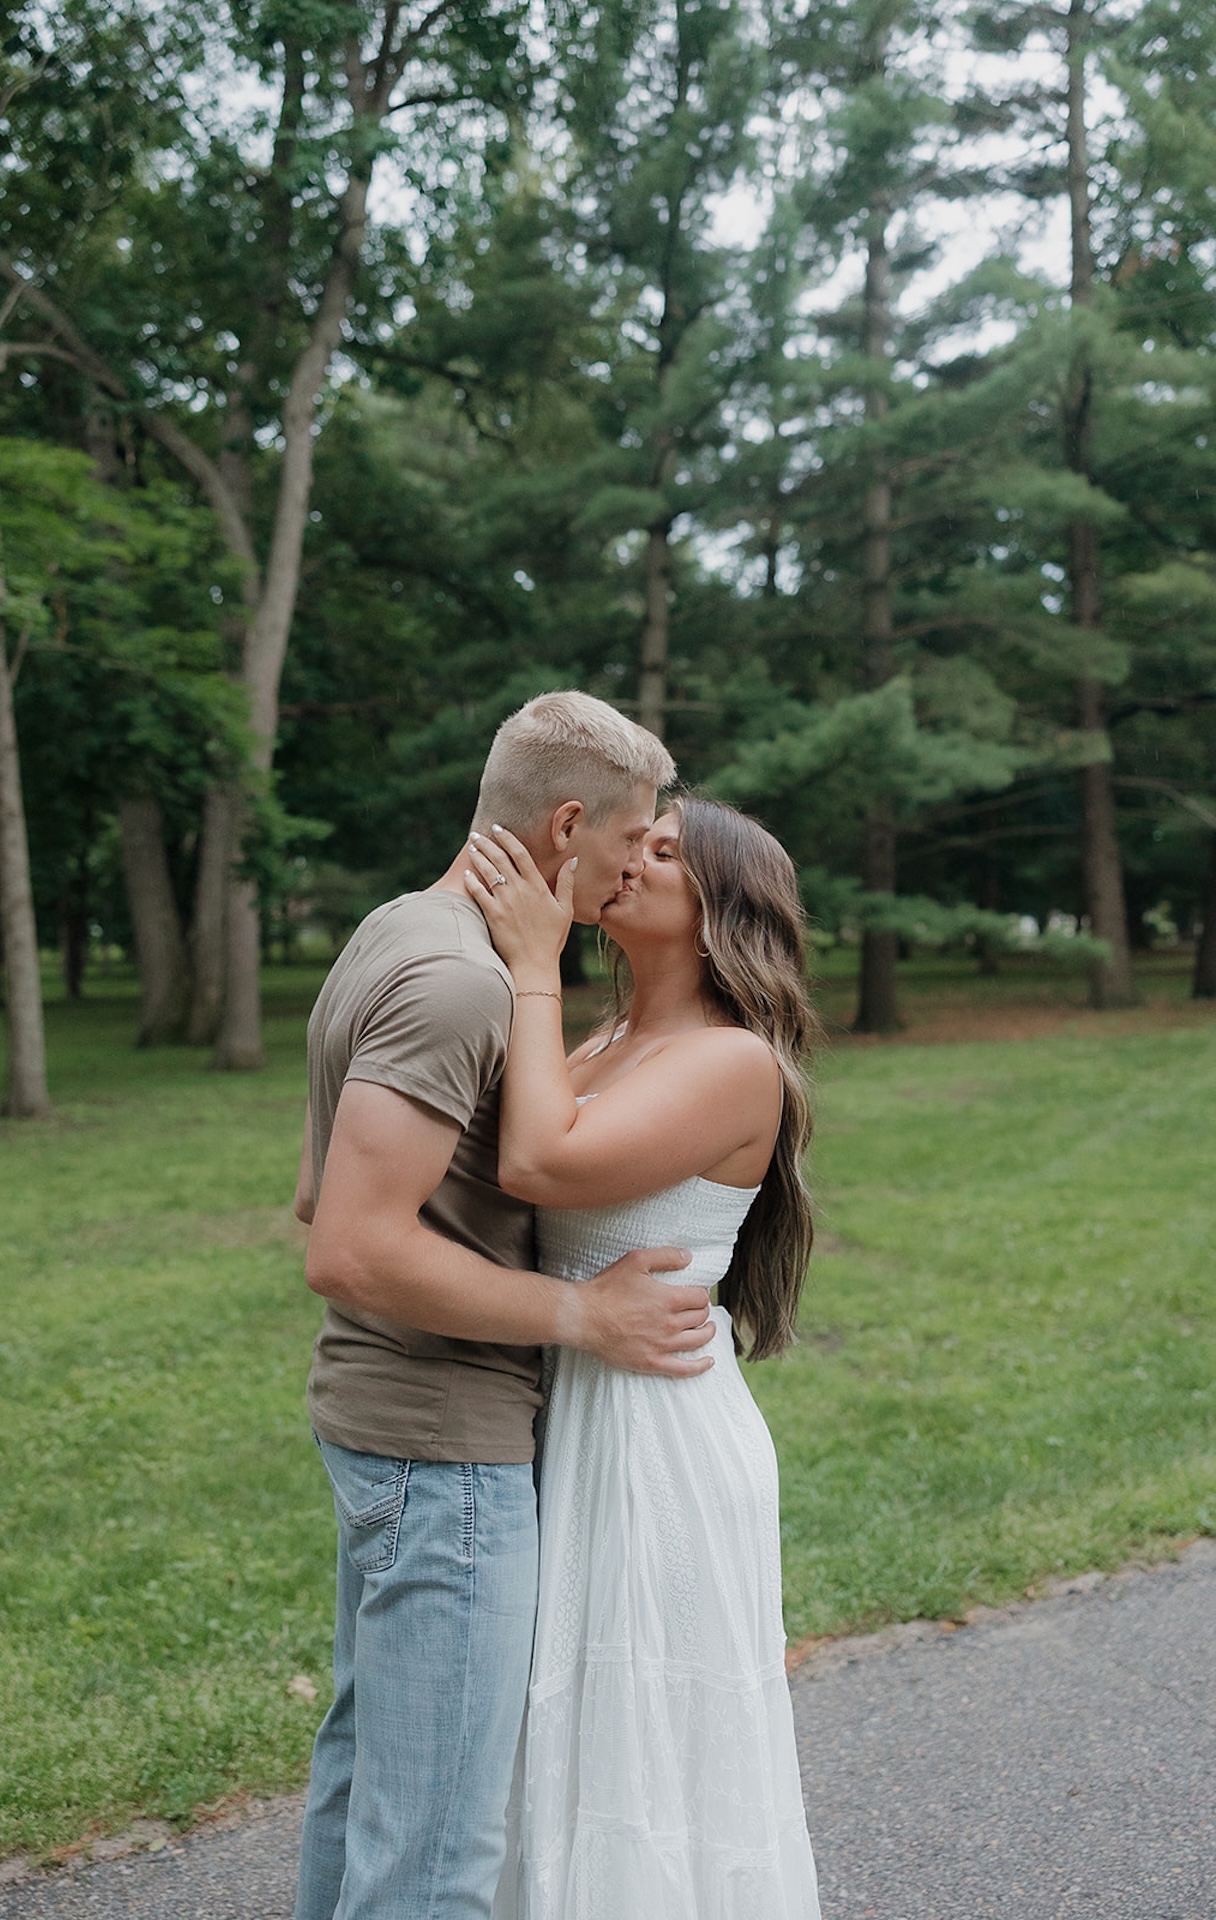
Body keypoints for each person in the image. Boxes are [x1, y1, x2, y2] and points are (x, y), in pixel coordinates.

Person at [292, 692, 720, 1920]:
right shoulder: (460, 984)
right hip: (444, 1454)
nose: (630, 870)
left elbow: (319, 1190)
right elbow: (352, 1246)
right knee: (436, 1852)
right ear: (566, 822)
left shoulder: (394, 930)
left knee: (369, 1778)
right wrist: (585, 1318)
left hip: (385, 1426)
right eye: (626, 843)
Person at [464, 796, 822, 1920]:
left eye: (666, 851)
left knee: (644, 1744)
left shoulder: (732, 1063)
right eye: (638, 839)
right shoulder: (607, 1043)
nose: (632, 858)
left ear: (722, 909)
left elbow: (534, 1160)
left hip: (655, 1435)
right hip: (570, 1407)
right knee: (560, 1737)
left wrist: (533, 957)